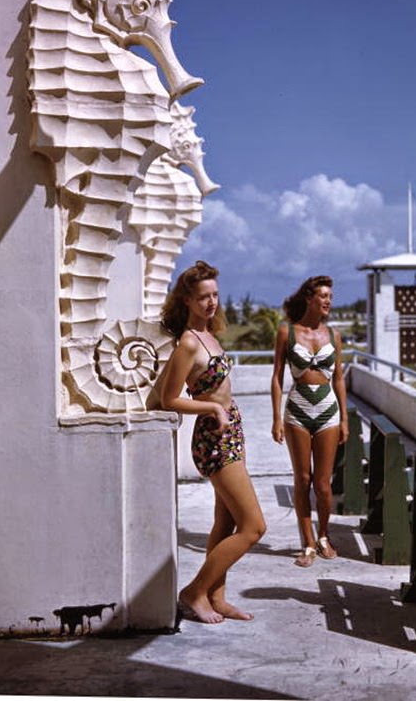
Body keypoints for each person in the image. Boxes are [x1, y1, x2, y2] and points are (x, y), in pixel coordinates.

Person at [161, 260, 266, 623]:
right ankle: (193, 592)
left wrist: (226, 413)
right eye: (203, 297)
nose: (211, 303)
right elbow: (167, 398)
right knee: (254, 527)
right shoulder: (189, 342)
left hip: (230, 431)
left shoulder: (210, 336)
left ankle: (216, 596)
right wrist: (212, 409)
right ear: (187, 300)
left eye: (215, 295)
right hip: (214, 439)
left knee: (224, 524)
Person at [271, 275, 349, 567]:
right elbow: (277, 378)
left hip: (328, 410)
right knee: (302, 480)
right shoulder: (286, 332)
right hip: (297, 410)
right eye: (323, 296)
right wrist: (277, 417)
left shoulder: (334, 335)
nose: (328, 301)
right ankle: (306, 544)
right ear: (309, 298)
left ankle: (324, 536)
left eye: (330, 296)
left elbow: (339, 378)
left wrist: (344, 420)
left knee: (323, 484)